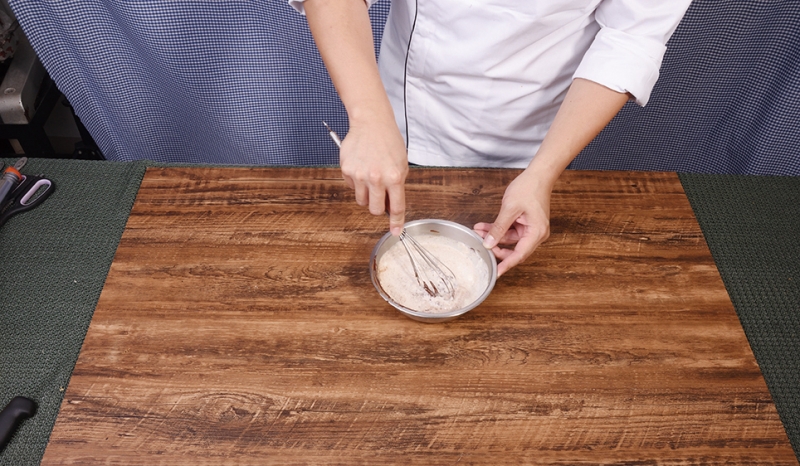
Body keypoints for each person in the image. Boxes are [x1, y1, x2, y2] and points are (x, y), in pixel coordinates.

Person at [291, 0, 692, 276]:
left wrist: (542, 174)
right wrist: (369, 117)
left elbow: (630, 38)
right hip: (408, 119)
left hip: (543, 133)